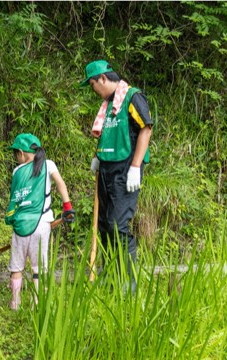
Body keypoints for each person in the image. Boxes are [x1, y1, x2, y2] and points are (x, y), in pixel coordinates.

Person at [80, 60, 153, 293]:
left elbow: (146, 128)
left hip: (125, 171)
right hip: (106, 170)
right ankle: (111, 277)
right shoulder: (107, 105)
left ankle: (127, 284)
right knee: (104, 226)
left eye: (93, 85)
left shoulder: (132, 97)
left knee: (118, 226)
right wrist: (98, 157)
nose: (94, 91)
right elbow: (107, 134)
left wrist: (135, 166)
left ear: (102, 78)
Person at [5, 133, 74, 310]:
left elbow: (13, 200)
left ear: (21, 152)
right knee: (39, 267)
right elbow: (60, 183)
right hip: (42, 223)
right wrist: (67, 207)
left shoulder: (16, 171)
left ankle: (15, 304)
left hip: (20, 225)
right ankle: (37, 304)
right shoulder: (48, 165)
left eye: (15, 154)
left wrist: (12, 219)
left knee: (16, 267)